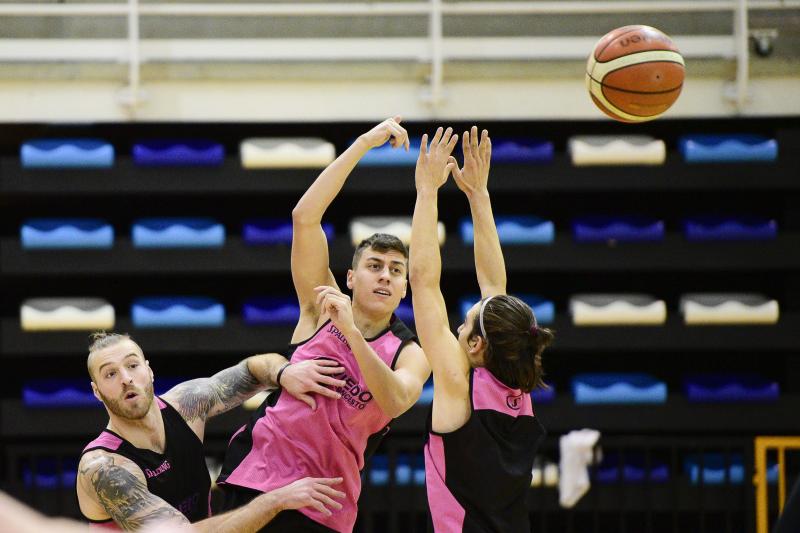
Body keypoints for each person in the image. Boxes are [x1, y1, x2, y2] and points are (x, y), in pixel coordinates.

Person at [216, 117, 431, 532]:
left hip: (324, 503)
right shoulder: (321, 306)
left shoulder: (410, 352)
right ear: (351, 278)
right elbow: (305, 217)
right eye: (374, 266)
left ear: (405, 288)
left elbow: (396, 401)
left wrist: (351, 331)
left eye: (395, 270)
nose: (385, 275)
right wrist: (364, 144)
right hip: (256, 476)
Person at [410, 126, 554, 532]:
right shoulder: (517, 386)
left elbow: (422, 282)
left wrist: (426, 191)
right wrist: (478, 195)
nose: (456, 325)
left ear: (476, 345)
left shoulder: (459, 385)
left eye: (465, 323)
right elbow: (495, 290)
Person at [77, 331, 346, 531]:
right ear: (96, 391)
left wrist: (284, 372)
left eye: (132, 365)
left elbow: (251, 370)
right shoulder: (104, 468)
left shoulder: (187, 405)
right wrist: (275, 499)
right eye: (110, 374)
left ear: (149, 371)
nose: (126, 378)